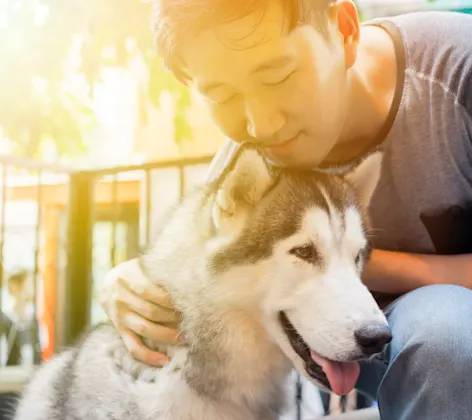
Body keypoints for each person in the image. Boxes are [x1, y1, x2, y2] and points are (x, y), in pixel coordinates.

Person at [100, 1, 472, 418]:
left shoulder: (459, 71)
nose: (262, 125)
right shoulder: (246, 169)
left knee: (446, 333)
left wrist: (350, 261)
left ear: (346, 31)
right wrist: (129, 284)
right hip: (346, 357)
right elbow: (196, 284)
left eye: (278, 76)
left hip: (445, 347)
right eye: (222, 94)